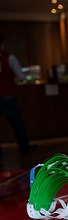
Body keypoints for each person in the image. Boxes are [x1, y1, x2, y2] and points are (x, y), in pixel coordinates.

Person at [0, 34, 35, 170]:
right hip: (8, 96)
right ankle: (25, 148)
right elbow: (20, 76)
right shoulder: (9, 57)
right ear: (2, 43)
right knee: (17, 124)